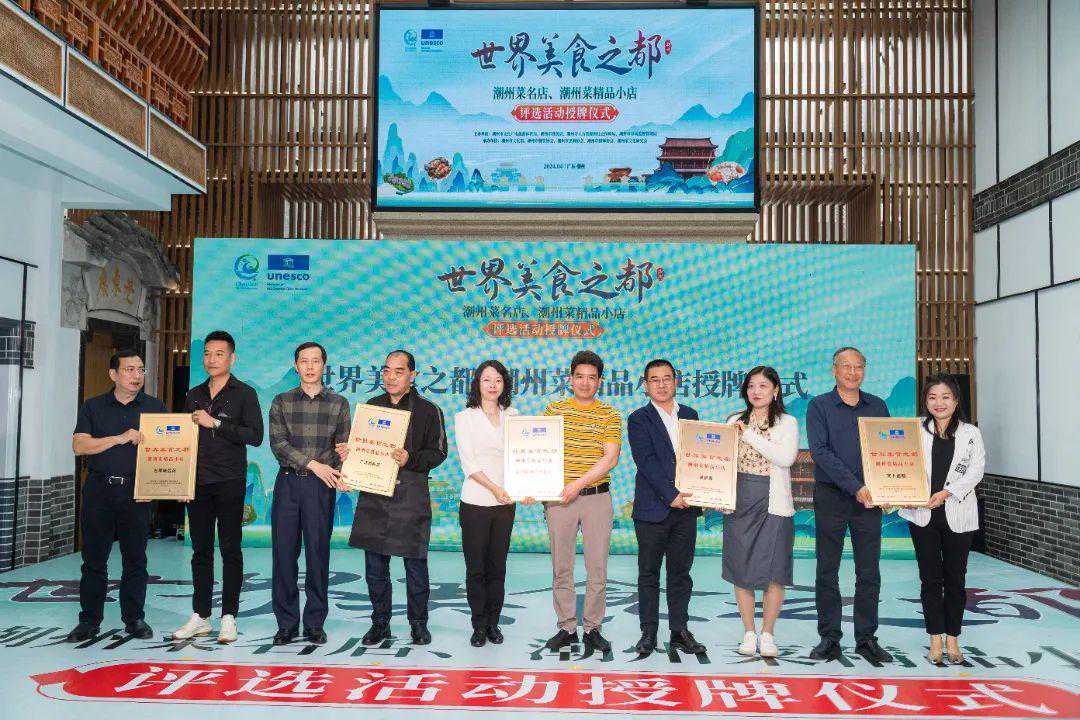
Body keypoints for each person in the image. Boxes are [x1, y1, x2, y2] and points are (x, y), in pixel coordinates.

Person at [347, 350, 448, 646]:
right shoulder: (371, 407)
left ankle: (418, 624)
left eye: (399, 371)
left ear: (412, 375)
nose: (391, 377)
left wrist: (410, 458)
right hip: (374, 495)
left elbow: (439, 453)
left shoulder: (429, 410)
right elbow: (360, 447)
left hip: (410, 495)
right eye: (386, 371)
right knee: (375, 567)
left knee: (415, 565)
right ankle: (380, 623)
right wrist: (348, 455)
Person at [66, 349, 166, 642]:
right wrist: (119, 438)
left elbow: (166, 451)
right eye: (130, 370)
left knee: (135, 559)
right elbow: (80, 446)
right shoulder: (93, 407)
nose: (137, 375)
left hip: (137, 493)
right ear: (113, 374)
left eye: (141, 370)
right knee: (94, 560)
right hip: (99, 491)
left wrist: (156, 486)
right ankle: (89, 621)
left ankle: (134, 619)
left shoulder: (155, 408)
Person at [171, 331, 264, 643]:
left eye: (219, 354)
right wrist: (180, 479)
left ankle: (229, 616)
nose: (212, 359)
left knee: (230, 549)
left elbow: (255, 436)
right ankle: (201, 615)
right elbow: (182, 439)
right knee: (200, 551)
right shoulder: (194, 394)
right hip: (197, 481)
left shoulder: (245, 394)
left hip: (229, 481)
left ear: (232, 358)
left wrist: (217, 424)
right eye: (207, 353)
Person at [806, 346, 893, 663]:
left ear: (864, 370)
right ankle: (829, 638)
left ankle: (866, 638)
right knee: (827, 570)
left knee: (868, 571)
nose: (852, 372)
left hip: (869, 500)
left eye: (858, 366)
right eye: (846, 366)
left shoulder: (878, 406)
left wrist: (889, 485)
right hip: (832, 496)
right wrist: (855, 486)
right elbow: (820, 452)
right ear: (834, 370)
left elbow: (889, 448)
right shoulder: (819, 406)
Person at [267, 342, 350, 646]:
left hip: (321, 488)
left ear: (324, 365)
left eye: (316, 361)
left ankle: (315, 623)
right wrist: (314, 464)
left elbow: (343, 447)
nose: (310, 366)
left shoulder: (339, 403)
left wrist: (345, 469)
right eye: (304, 361)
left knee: (318, 555)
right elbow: (278, 445)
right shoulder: (281, 401)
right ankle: (286, 624)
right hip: (288, 483)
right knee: (284, 556)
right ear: (296, 365)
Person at [899, 374, 985, 665]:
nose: (939, 403)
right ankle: (935, 638)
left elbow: (976, 471)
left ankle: (953, 638)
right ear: (925, 401)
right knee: (930, 579)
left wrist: (947, 493)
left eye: (946, 397)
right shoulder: (914, 430)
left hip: (957, 514)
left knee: (956, 579)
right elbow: (901, 465)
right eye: (932, 397)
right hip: (922, 515)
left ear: (956, 401)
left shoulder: (971, 433)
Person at [542, 350, 621, 653]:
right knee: (561, 566)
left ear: (600, 381)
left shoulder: (610, 414)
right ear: (570, 379)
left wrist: (577, 484)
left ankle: (592, 628)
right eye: (580, 377)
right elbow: (540, 452)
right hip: (559, 499)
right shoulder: (554, 411)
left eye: (592, 378)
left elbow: (610, 458)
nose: (585, 383)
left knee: (597, 568)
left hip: (596, 499)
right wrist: (533, 486)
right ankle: (566, 627)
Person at [627, 358, 706, 656]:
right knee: (648, 573)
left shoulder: (690, 415)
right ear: (645, 386)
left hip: (686, 509)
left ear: (676, 381)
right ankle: (648, 632)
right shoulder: (638, 419)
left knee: (681, 573)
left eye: (666, 378)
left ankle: (679, 631)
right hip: (652, 509)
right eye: (654, 380)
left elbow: (701, 458)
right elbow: (645, 462)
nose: (661, 385)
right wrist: (671, 495)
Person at [724, 366, 798, 658]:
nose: (756, 391)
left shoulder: (787, 422)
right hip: (740, 501)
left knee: (774, 572)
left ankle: (767, 633)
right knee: (741, 570)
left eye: (763, 386)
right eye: (751, 386)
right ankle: (748, 632)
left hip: (774, 503)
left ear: (775, 390)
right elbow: (723, 462)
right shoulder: (734, 421)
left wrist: (750, 435)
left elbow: (785, 458)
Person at [454, 360, 518, 647]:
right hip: (475, 502)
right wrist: (495, 488)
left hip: (506, 503)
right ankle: (478, 625)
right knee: (476, 568)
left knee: (498, 567)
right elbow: (469, 463)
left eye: (498, 380)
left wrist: (527, 488)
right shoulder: (464, 417)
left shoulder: (513, 415)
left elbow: (522, 458)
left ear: (505, 384)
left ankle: (493, 623)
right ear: (477, 384)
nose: (492, 385)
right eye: (486, 380)